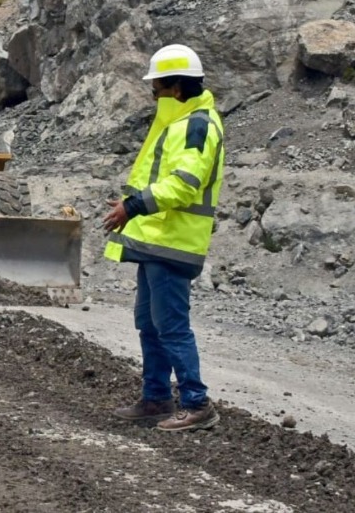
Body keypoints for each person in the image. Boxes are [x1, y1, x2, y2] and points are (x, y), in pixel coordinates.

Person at [103, 44, 225, 432]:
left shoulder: (197, 125)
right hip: (156, 240)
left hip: (175, 242)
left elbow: (185, 184)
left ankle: (196, 403)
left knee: (170, 324)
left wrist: (134, 206)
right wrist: (132, 207)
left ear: (174, 86)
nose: (152, 93)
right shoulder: (178, 122)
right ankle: (155, 397)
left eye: (156, 86)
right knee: (149, 322)